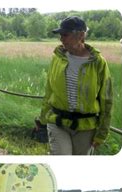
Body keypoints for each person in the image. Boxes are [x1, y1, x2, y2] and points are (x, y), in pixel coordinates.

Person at [40, 16, 113, 155]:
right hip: (57, 122)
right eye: (60, 35)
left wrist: (102, 133)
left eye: (65, 35)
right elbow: (49, 90)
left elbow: (107, 99)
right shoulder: (57, 57)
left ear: (80, 35)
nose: (61, 39)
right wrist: (42, 120)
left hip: (86, 127)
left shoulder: (98, 63)